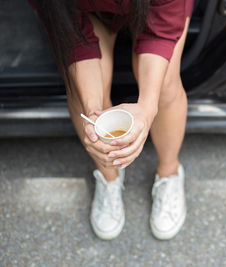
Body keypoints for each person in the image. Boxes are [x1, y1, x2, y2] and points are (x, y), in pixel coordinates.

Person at [28, 0, 194, 240]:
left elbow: (161, 32)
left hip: (155, 7)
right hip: (83, 9)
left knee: (164, 83)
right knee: (83, 94)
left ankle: (169, 172)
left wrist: (147, 108)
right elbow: (72, 33)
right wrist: (93, 111)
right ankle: (109, 177)